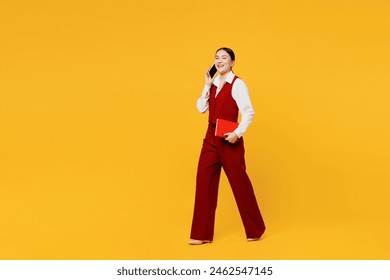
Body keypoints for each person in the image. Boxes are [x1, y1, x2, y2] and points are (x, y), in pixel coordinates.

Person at [188, 47, 266, 245]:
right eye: (216, 58)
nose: (219, 60)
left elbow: (249, 112)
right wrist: (206, 85)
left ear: (232, 62)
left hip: (229, 137)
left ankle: (255, 229)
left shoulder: (238, 84)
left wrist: (237, 133)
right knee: (204, 182)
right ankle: (201, 234)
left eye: (224, 58)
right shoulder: (212, 84)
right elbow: (200, 108)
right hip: (210, 137)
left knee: (240, 185)